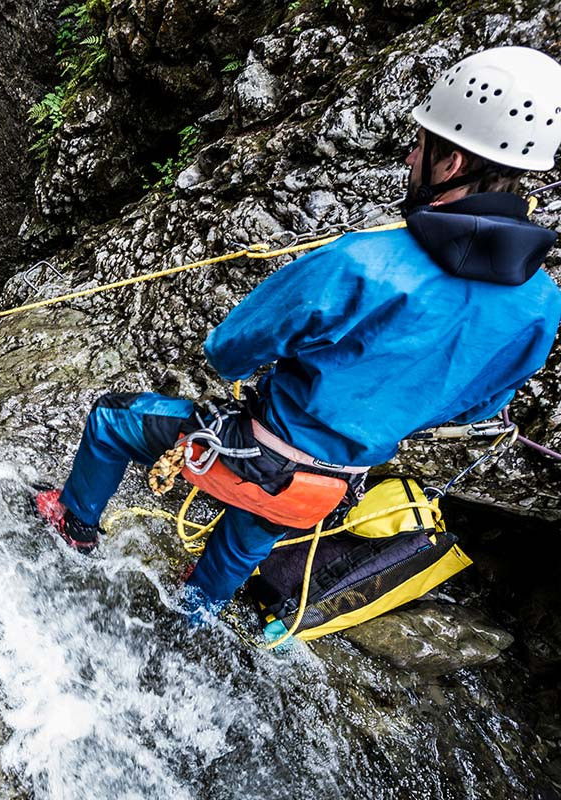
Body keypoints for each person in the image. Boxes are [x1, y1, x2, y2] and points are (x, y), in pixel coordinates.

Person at [34, 46, 561, 618]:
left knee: (113, 420)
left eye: (421, 144)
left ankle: (75, 526)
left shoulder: (366, 260)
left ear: (452, 163)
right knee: (252, 530)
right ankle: (197, 607)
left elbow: (229, 349)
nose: (411, 155)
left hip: (260, 456)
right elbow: (473, 407)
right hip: (330, 487)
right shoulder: (541, 304)